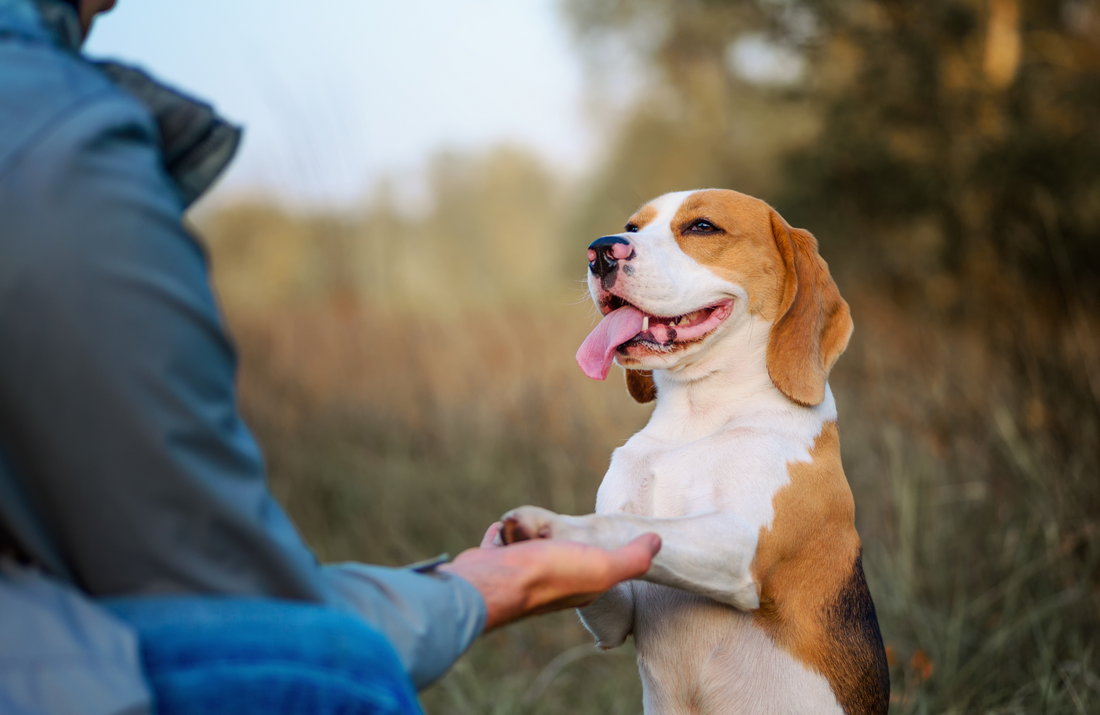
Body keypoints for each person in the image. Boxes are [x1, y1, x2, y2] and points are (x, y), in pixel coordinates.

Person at [0, 1, 661, 713]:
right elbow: (249, 618)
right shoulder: (54, 140)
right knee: (332, 676)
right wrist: (490, 588)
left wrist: (472, 586)